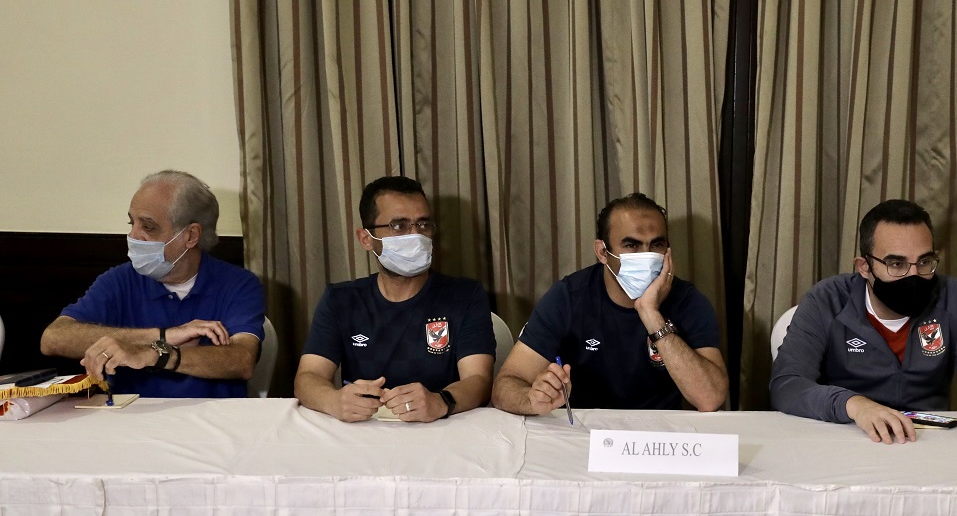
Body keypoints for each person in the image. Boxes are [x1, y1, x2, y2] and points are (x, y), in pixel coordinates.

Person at [770, 199, 957, 444]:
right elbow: (788, 383)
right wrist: (856, 405)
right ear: (864, 267)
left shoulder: (955, 297)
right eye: (896, 264)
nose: (913, 275)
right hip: (848, 435)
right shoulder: (826, 300)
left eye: (924, 262)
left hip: (927, 442)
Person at [492, 193, 728, 415]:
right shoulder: (568, 297)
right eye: (632, 245)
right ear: (602, 252)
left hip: (659, 434)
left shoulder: (688, 300)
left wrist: (650, 314)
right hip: (586, 431)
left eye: (656, 244)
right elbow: (505, 385)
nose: (646, 256)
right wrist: (532, 399)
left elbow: (710, 399)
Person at [40, 170, 265, 397]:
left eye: (148, 227)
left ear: (190, 236)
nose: (133, 235)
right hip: (131, 414)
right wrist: (164, 335)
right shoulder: (119, 280)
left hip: (215, 416)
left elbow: (242, 360)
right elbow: (53, 338)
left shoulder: (238, 284)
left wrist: (156, 354)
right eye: (132, 222)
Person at [295, 175, 495, 423]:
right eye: (399, 226)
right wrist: (333, 400)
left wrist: (441, 401)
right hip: (364, 430)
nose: (416, 235)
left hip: (441, 429)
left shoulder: (465, 296)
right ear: (366, 238)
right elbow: (308, 377)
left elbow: (479, 380)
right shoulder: (341, 300)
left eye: (423, 224)